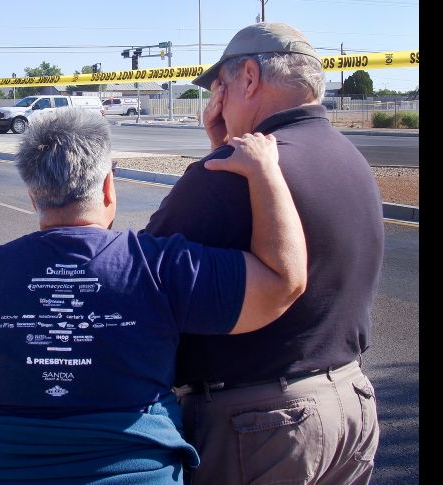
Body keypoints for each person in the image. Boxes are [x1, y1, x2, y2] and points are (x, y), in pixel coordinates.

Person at [0, 107, 307, 484]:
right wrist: (264, 172)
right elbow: (281, 282)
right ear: (109, 187)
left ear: (33, 196)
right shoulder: (160, 266)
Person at [144, 22, 383, 484]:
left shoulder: (230, 172)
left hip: (260, 428)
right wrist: (221, 148)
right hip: (351, 406)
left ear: (250, 78)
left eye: (221, 86)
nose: (216, 101)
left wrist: (213, 162)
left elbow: (145, 275)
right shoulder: (350, 159)